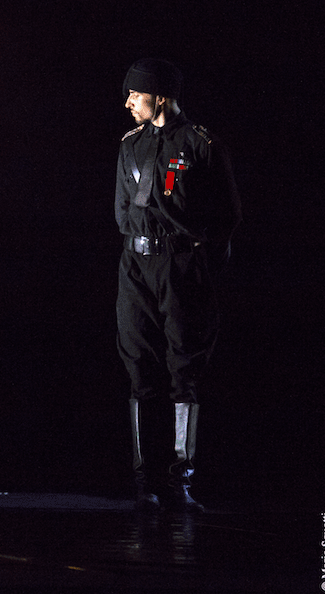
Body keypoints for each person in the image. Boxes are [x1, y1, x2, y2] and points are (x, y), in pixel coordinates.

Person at [115, 59, 241, 512]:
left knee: (183, 369)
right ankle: (143, 483)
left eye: (136, 94)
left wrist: (197, 261)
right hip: (135, 265)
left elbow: (227, 216)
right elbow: (122, 209)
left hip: (181, 266)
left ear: (160, 97)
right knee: (138, 367)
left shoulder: (201, 145)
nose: (128, 102)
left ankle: (179, 482)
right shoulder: (130, 144)